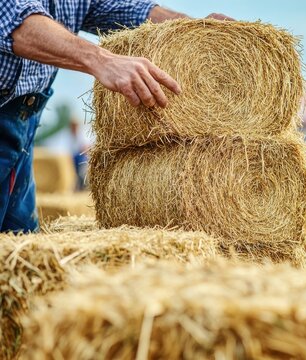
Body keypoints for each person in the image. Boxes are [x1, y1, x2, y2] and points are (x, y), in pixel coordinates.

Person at [0, 1, 232, 232]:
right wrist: (101, 60)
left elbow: (117, 8)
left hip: (23, 124)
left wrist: (194, 28)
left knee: (18, 246)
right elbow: (13, 19)